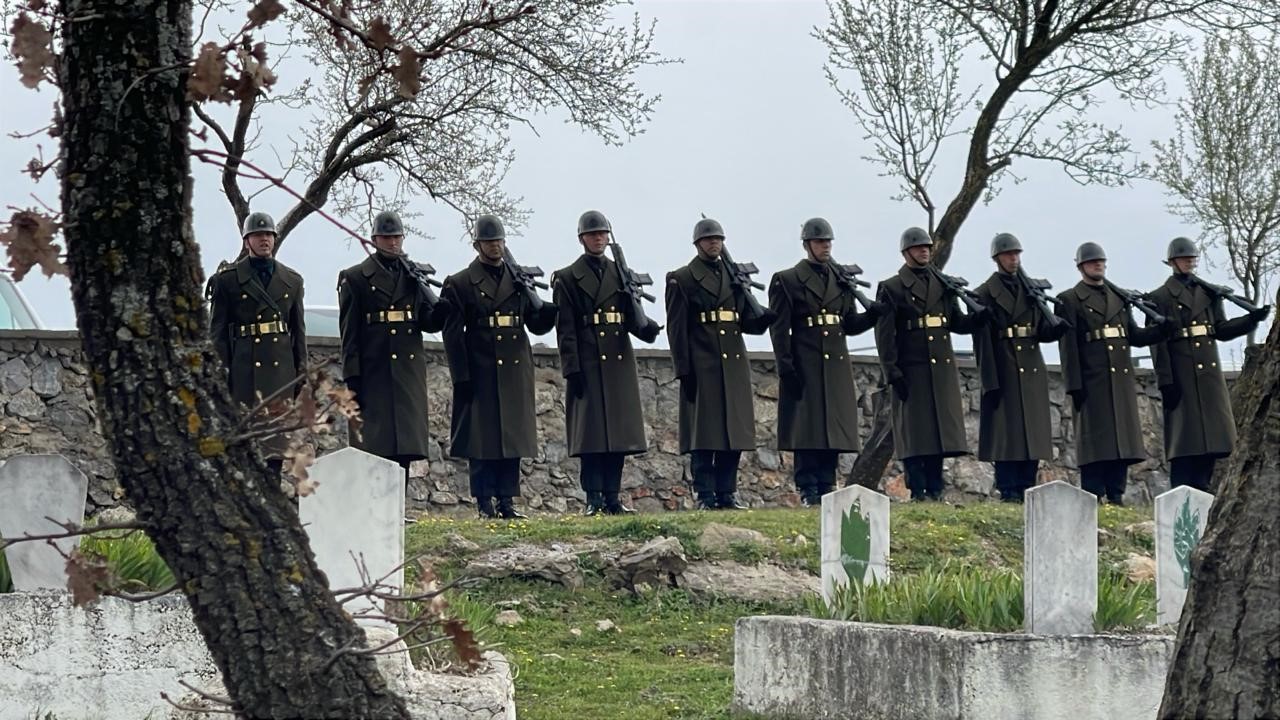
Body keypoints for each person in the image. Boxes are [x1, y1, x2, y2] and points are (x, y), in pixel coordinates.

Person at [442, 214, 557, 519]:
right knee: (482, 441)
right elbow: (452, 334)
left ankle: (507, 500)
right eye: (489, 241)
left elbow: (534, 323)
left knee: (512, 439)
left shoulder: (518, 280)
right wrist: (461, 376)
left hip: (514, 366)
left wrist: (547, 312)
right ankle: (484, 503)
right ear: (477, 244)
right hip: (480, 365)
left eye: (499, 241)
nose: (495, 247)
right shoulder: (461, 283)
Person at [552, 211, 662, 515]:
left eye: (602, 233)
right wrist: (571, 367)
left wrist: (647, 328)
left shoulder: (620, 273)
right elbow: (566, 328)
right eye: (593, 234)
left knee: (618, 436)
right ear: (582, 239)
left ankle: (613, 496)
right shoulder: (568, 277)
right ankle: (594, 498)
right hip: (588, 359)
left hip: (617, 360)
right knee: (592, 438)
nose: (598, 238)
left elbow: (631, 316)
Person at [768, 217, 883, 507]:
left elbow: (850, 323)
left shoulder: (841, 279)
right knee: (808, 430)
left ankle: (827, 484)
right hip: (805, 360)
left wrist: (873, 315)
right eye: (820, 242)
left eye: (828, 242)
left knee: (833, 429)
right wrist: (786, 366)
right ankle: (808, 488)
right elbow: (779, 328)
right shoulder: (788, 279)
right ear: (808, 245)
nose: (825, 246)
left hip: (835, 363)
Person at [665, 217, 776, 510]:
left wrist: (763, 318)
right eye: (709, 239)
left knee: (733, 434)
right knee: (706, 437)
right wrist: (683, 370)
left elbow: (744, 320)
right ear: (698, 243)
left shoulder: (733, 276)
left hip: (733, 362)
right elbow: (676, 329)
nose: (715, 243)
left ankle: (728, 493)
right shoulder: (683, 278)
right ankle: (705, 494)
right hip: (703, 364)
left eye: (718, 239)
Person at [1145, 237, 1270, 492]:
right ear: (1172, 262)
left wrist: (1249, 320)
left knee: (1212, 441)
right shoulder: (1159, 296)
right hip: (1182, 373)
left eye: (1192, 258)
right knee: (1185, 442)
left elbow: (1220, 330)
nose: (1189, 262)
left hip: (1208, 374)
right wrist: (1166, 380)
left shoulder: (1208, 293)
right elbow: (1158, 343)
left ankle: (1204, 488)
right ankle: (1181, 490)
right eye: (1184, 258)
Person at [874, 227, 985, 501]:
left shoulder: (943, 284)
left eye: (927, 247)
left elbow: (955, 322)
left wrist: (977, 319)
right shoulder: (892, 287)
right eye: (919, 247)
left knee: (938, 434)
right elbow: (885, 333)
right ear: (906, 252)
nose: (924, 250)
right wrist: (891, 370)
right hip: (912, 368)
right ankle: (918, 489)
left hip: (941, 369)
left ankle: (936, 488)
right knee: (915, 434)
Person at [1056, 242, 1172, 504]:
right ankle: (1094, 493)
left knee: (1121, 440)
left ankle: (1116, 492)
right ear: (1081, 266)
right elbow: (1069, 347)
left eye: (1101, 261)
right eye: (1093, 262)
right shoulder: (1070, 300)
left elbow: (1134, 336)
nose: (1098, 265)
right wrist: (1074, 384)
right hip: (1092, 380)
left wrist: (1161, 329)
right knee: (1096, 442)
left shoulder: (1119, 297)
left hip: (1119, 379)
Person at [337, 210, 451, 477]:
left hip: (407, 373)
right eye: (387, 238)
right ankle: (377, 510)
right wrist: (352, 376)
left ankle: (399, 507)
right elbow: (350, 333)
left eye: (397, 237)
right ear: (375, 239)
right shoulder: (355, 278)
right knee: (376, 445)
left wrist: (441, 314)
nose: (393, 243)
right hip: (374, 370)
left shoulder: (413, 276)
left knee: (405, 447)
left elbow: (425, 321)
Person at [972, 233, 1069, 502]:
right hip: (1005, 364)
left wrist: (1055, 327)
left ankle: (1028, 486)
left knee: (1032, 434)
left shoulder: (1030, 290)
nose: (1013, 259)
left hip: (1031, 367)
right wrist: (989, 379)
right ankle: (1009, 488)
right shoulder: (985, 293)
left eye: (1016, 254)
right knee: (1007, 435)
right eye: (1008, 254)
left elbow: (1040, 330)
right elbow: (982, 339)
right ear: (997, 258)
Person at [209, 211, 308, 477]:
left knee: (274, 450)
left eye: (268, 235)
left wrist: (302, 371)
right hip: (244, 373)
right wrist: (220, 373)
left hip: (279, 373)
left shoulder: (292, 281)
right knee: (245, 446)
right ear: (247, 241)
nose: (264, 239)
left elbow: (298, 330)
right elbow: (217, 334)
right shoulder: (227, 281)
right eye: (258, 235)